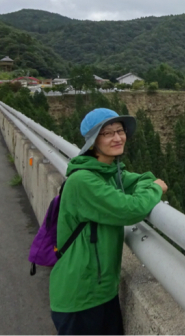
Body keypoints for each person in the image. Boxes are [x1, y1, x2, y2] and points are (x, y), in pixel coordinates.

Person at [49, 108, 168, 335]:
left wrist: (148, 186)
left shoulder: (110, 173)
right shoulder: (83, 180)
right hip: (79, 295)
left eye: (120, 131)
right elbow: (132, 209)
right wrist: (154, 190)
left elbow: (145, 178)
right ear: (93, 141)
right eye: (107, 133)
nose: (117, 138)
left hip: (103, 290)